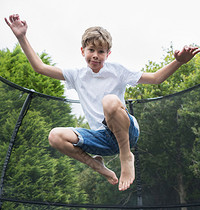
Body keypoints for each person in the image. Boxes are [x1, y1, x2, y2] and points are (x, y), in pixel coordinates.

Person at [5, 14, 200, 191]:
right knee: (54, 136)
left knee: (109, 101)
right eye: (91, 50)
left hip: (127, 131)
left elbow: (156, 78)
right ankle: (98, 166)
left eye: (101, 51)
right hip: (102, 141)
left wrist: (179, 61)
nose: (96, 55)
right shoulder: (76, 75)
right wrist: (21, 37)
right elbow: (39, 67)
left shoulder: (117, 71)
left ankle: (126, 156)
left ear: (108, 54)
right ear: (83, 51)